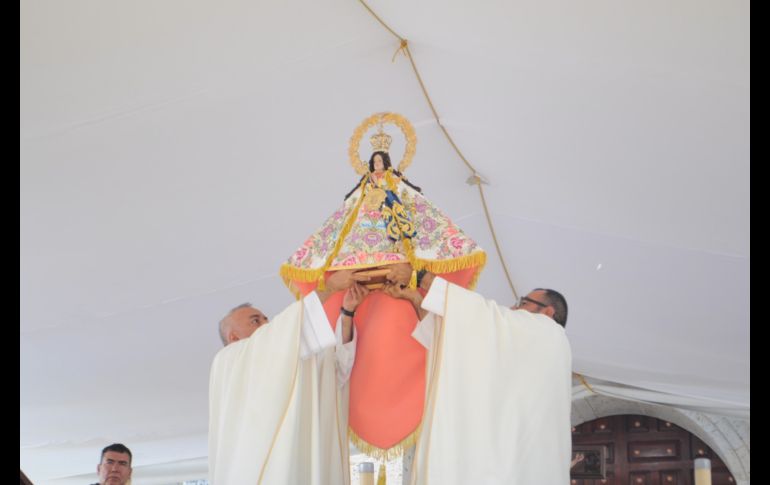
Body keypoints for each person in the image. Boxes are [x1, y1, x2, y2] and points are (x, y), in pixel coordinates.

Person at [280, 122, 486, 458]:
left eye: (381, 162)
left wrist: (412, 280)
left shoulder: (397, 188)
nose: (377, 166)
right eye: (373, 162)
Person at [384, 271, 573, 484]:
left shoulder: (550, 332)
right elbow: (451, 343)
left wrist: (418, 275)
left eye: (523, 303)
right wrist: (416, 298)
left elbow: (479, 314)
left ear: (547, 312)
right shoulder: (528, 346)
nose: (513, 308)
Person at [208, 270, 369, 484]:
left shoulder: (285, 360)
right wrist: (329, 287)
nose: (266, 324)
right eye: (255, 321)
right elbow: (278, 335)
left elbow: (335, 373)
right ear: (233, 337)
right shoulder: (228, 359)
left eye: (266, 319)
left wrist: (347, 313)